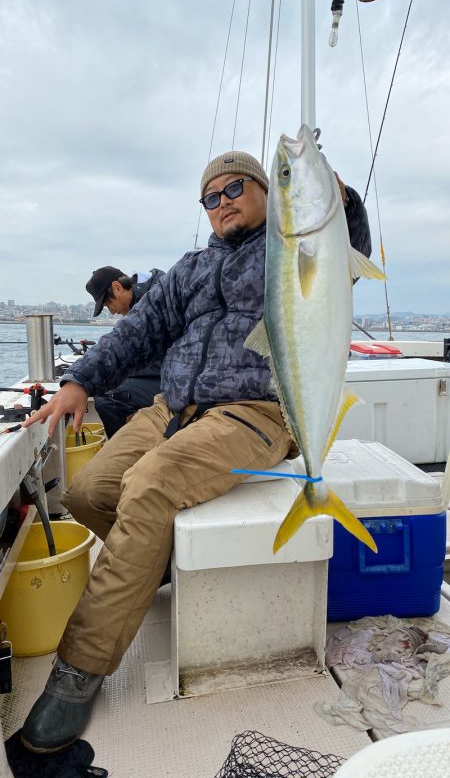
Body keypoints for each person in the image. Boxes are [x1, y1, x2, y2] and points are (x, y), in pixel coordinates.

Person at [20, 150, 372, 752]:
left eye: (235, 187)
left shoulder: (287, 247)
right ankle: (151, 567)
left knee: (148, 488)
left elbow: (342, 253)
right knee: (87, 492)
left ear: (267, 192)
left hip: (254, 412)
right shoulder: (189, 270)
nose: (222, 201)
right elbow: (137, 331)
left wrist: (344, 205)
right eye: (209, 197)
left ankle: (80, 670)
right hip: (173, 409)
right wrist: (79, 380)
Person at [85, 266, 165, 438]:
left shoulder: (153, 299)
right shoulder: (148, 294)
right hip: (164, 373)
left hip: (174, 379)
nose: (112, 311)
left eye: (108, 304)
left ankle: (125, 457)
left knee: (108, 397)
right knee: (110, 383)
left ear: (118, 287)